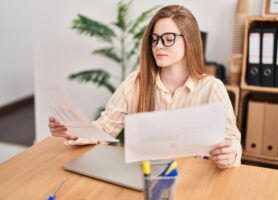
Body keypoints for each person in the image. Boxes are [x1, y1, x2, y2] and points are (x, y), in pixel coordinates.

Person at [48, 5, 242, 169]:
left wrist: (229, 153)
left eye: (168, 39)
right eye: (155, 39)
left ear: (189, 41)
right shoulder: (136, 83)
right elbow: (105, 128)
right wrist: (73, 132)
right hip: (144, 175)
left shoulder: (211, 88)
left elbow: (232, 139)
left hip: (190, 178)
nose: (158, 46)